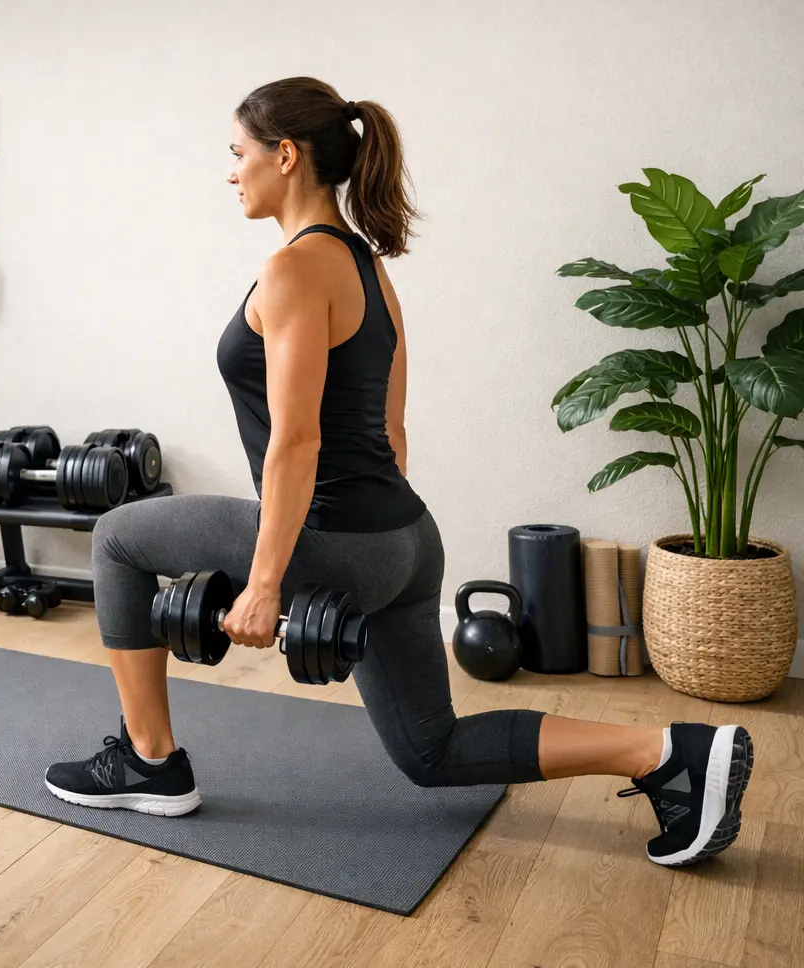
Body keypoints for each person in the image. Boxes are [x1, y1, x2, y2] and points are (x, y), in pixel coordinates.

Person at [43, 76, 753, 868]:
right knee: (431, 752)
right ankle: (666, 752)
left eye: (238, 153)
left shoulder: (292, 271)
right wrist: (374, 548)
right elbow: (391, 428)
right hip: (408, 540)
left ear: (285, 155)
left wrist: (269, 582)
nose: (230, 170)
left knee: (115, 537)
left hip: (335, 537)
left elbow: (296, 443)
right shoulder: (369, 268)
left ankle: (149, 762)